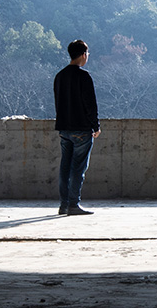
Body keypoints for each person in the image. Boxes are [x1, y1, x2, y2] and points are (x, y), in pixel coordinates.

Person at [54, 39, 100, 215]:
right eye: (87, 54)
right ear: (83, 55)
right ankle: (74, 204)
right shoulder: (84, 76)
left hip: (64, 129)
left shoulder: (59, 76)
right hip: (81, 129)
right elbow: (91, 104)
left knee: (64, 168)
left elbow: (58, 103)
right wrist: (95, 126)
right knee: (78, 169)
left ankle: (64, 204)